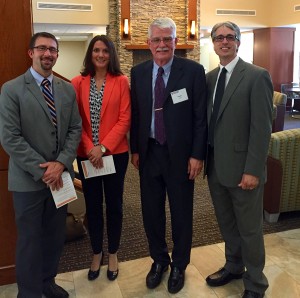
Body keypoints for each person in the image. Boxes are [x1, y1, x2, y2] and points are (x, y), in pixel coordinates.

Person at [0, 32, 82, 298]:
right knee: (29, 241)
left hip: (61, 179)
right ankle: (30, 292)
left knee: (54, 236)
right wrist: (45, 169)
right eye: (42, 49)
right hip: (29, 181)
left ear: (57, 55)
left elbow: (74, 129)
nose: (48, 54)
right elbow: (10, 138)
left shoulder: (66, 88)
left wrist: (60, 163)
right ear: (31, 52)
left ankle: (48, 282)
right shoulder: (12, 89)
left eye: (53, 50)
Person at [130, 17, 207, 294]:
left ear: (176, 42)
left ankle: (179, 265)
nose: (162, 44)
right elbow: (137, 114)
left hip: (181, 156)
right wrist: (135, 149)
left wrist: (197, 155)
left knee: (181, 212)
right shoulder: (138, 73)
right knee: (151, 212)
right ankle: (159, 260)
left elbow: (200, 117)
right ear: (149, 44)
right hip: (149, 152)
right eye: (157, 40)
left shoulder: (193, 71)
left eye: (167, 39)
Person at [205, 21, 273, 298]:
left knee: (250, 229)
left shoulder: (257, 76)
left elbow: (262, 128)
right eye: (219, 37)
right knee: (227, 224)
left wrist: (254, 170)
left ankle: (256, 282)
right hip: (216, 169)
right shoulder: (209, 77)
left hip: (245, 170)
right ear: (213, 43)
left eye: (230, 37)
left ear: (238, 42)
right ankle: (234, 266)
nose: (224, 41)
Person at [71, 35, 131, 282]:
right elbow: (76, 121)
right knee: (93, 207)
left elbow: (125, 118)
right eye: (96, 50)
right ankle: (97, 253)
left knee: (114, 206)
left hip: (115, 155)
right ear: (90, 53)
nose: (100, 55)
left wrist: (103, 147)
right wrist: (90, 148)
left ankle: (113, 253)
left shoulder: (121, 81)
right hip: (87, 156)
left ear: (111, 54)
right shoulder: (77, 82)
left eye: (105, 51)